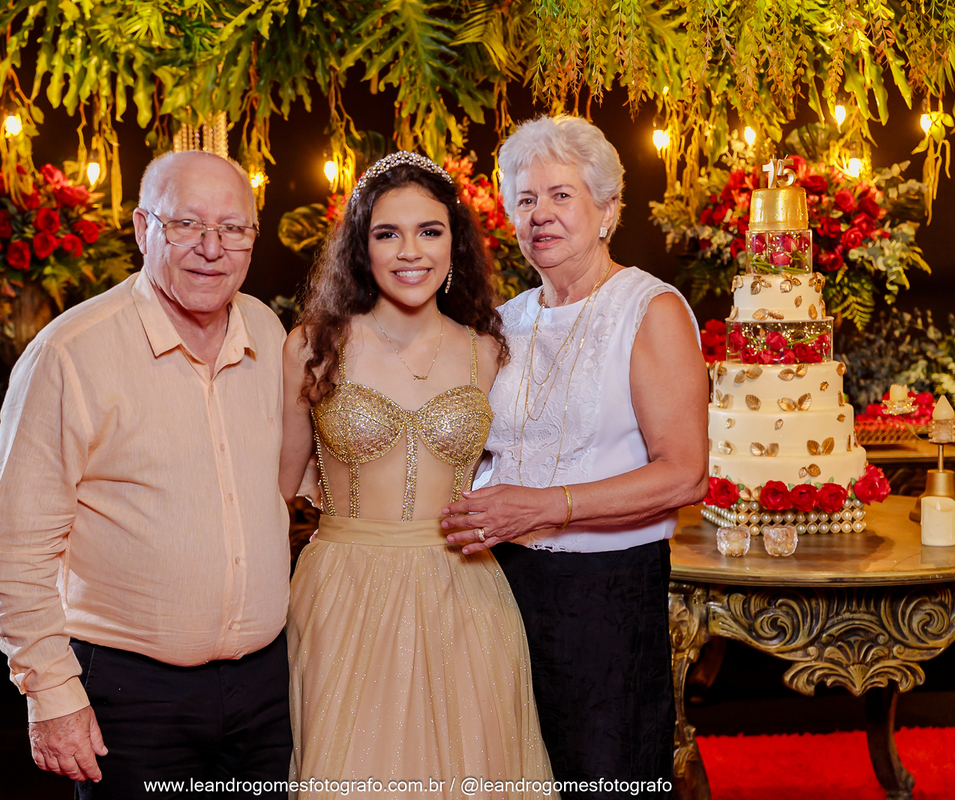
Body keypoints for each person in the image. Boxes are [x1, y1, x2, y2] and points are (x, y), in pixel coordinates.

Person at [0, 151, 292, 799]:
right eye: (186, 225)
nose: (212, 249)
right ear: (144, 228)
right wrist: (52, 693)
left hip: (267, 691)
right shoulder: (70, 354)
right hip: (132, 697)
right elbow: (13, 546)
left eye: (233, 229)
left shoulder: (267, 329)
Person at [441, 116, 708, 795]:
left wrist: (545, 507)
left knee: (605, 778)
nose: (541, 214)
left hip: (606, 597)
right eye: (526, 199)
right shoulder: (507, 320)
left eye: (561, 195)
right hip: (500, 587)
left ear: (607, 209)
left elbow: (684, 474)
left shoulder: (648, 308)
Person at [279, 152, 553, 798]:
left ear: (454, 244)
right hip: (343, 592)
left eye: (429, 231)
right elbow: (276, 493)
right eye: (387, 233)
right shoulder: (313, 346)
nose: (411, 251)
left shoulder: (489, 350)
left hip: (465, 593)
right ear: (361, 248)